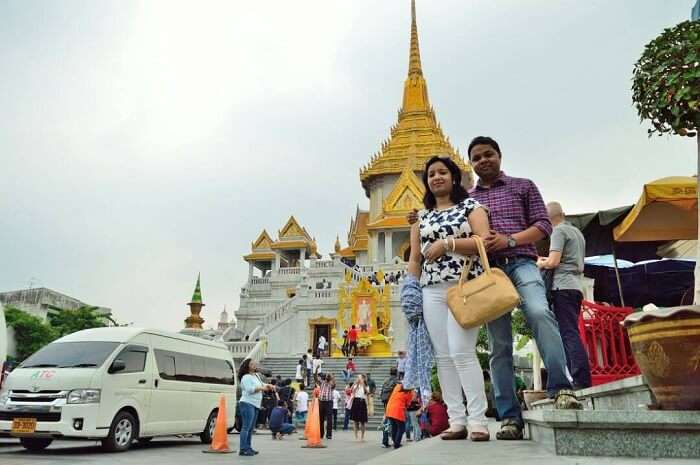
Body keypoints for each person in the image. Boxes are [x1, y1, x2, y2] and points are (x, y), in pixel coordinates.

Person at [405, 155, 492, 442]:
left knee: (461, 352)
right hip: (431, 290)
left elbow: (484, 240)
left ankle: (478, 420)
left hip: (464, 286)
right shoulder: (421, 217)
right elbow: (415, 258)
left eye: (442, 172)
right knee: (443, 357)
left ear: (454, 177)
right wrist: (410, 289)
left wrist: (448, 244)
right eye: (431, 174)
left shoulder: (471, 206)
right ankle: (457, 420)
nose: (437, 177)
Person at [538, 201, 592, 390]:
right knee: (571, 332)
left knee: (568, 333)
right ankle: (580, 377)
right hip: (576, 286)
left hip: (562, 287)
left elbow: (553, 262)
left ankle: (580, 379)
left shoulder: (558, 232)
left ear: (547, 217)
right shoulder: (577, 233)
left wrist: (538, 263)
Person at [238, 358, 274, 456]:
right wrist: (263, 388)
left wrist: (269, 385)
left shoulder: (256, 375)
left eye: (255, 364)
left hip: (255, 404)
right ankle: (243, 449)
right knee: (246, 427)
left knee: (251, 428)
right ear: (247, 365)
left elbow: (262, 384)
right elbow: (250, 389)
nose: (255, 365)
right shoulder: (246, 377)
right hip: (247, 403)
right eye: (252, 364)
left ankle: (248, 448)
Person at [384, 384, 414, 449]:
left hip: (389, 408)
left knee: (394, 427)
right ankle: (396, 444)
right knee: (401, 428)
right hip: (398, 410)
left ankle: (395, 442)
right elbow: (408, 404)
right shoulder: (409, 392)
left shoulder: (398, 386)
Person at [379, 367, 399, 447]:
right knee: (395, 422)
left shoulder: (386, 381)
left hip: (386, 403)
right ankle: (394, 440)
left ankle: (385, 440)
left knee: (387, 421)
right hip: (393, 402)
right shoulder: (397, 381)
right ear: (396, 373)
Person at [350, 374, 369, 441]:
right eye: (358, 377)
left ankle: (362, 436)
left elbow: (366, 392)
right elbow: (352, 391)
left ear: (363, 379)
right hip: (356, 401)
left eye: (360, 378)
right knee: (355, 421)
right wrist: (356, 384)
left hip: (362, 402)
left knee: (363, 421)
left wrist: (362, 384)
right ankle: (356, 436)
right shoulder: (355, 385)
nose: (358, 379)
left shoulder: (366, 385)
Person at [318, 373, 335, 440]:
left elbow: (334, 385)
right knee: (321, 419)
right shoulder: (321, 383)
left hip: (329, 402)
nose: (327, 378)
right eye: (326, 377)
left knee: (329, 419)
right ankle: (321, 434)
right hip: (321, 402)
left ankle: (329, 434)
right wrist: (316, 370)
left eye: (328, 377)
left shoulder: (331, 384)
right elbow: (316, 379)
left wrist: (332, 377)